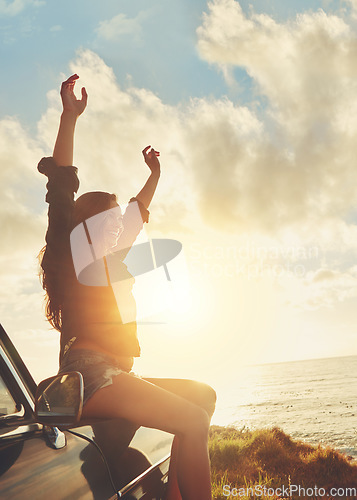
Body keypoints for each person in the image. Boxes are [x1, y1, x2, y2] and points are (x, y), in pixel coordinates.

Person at [38, 74, 216, 500]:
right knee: (192, 420)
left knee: (202, 398)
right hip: (91, 374)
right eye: (111, 217)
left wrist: (154, 175)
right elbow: (61, 184)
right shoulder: (70, 255)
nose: (119, 224)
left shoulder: (111, 262)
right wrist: (69, 117)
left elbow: (137, 214)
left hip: (118, 372)